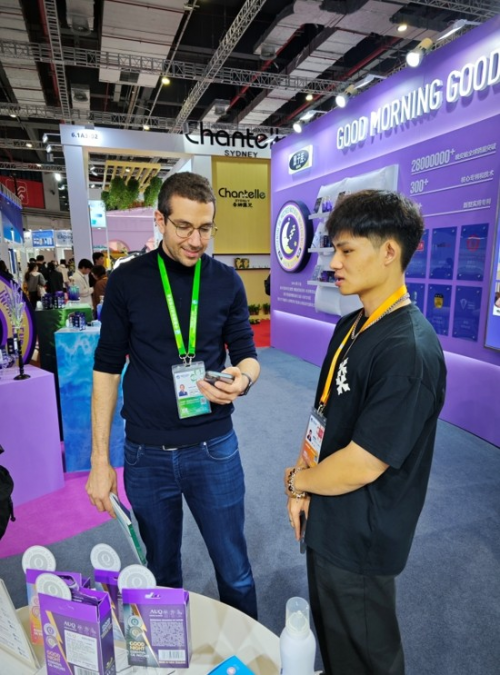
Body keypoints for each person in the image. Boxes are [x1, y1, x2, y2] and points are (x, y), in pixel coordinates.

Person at [284, 190, 447, 675]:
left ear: (389, 251)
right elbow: (323, 414)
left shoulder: (409, 351)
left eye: (346, 250)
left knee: (366, 656)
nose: (334, 262)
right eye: (334, 249)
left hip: (362, 537)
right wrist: (304, 483)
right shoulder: (351, 325)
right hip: (328, 516)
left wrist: (296, 481)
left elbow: (363, 463)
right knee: (337, 648)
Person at [86, 171, 260, 619]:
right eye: (184, 226)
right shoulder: (127, 281)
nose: (196, 240)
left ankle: (250, 652)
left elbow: (247, 354)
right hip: (146, 455)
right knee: (161, 575)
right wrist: (100, 460)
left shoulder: (225, 282)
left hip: (214, 448)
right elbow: (107, 368)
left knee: (235, 572)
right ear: (160, 220)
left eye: (205, 228)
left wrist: (243, 379)